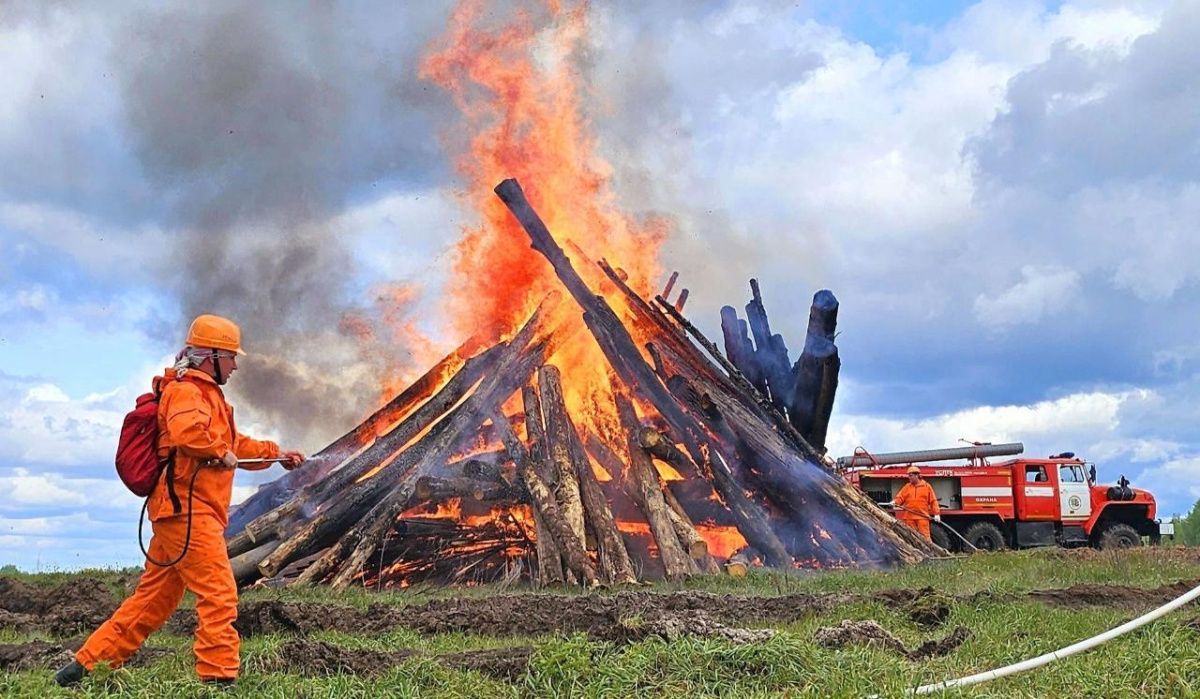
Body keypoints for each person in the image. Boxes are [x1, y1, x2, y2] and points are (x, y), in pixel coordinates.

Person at [55, 314, 305, 689]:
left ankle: (83, 668)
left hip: (181, 515)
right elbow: (189, 433)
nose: (236, 365)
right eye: (231, 357)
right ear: (212, 356)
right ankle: (218, 679)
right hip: (188, 514)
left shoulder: (207, 396)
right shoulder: (187, 392)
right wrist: (219, 450)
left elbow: (235, 444)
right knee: (219, 593)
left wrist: (277, 453)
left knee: (152, 601)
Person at [890, 465, 941, 541]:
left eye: (911, 475)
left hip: (922, 517)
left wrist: (936, 514)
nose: (909, 477)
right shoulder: (907, 487)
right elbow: (901, 497)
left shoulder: (926, 487)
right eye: (909, 476)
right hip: (909, 517)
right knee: (911, 538)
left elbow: (933, 501)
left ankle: (928, 552)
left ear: (917, 475)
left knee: (925, 538)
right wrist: (895, 502)